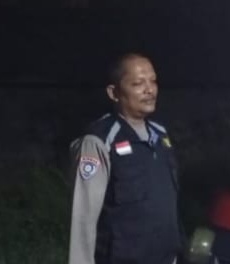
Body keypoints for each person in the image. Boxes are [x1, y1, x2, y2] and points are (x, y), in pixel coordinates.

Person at [67, 52, 183, 264]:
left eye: (153, 81)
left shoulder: (161, 136)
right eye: (138, 83)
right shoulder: (98, 141)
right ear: (114, 93)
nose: (149, 90)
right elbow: (83, 219)